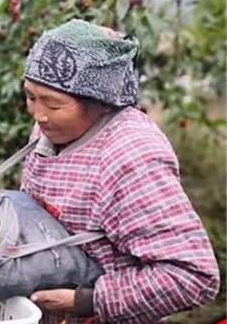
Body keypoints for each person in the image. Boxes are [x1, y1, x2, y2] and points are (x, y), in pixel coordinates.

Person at [19, 19, 220, 323]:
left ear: (100, 103)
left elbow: (192, 275)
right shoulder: (49, 130)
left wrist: (87, 300)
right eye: (31, 97)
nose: (39, 114)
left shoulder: (130, 158)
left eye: (53, 103)